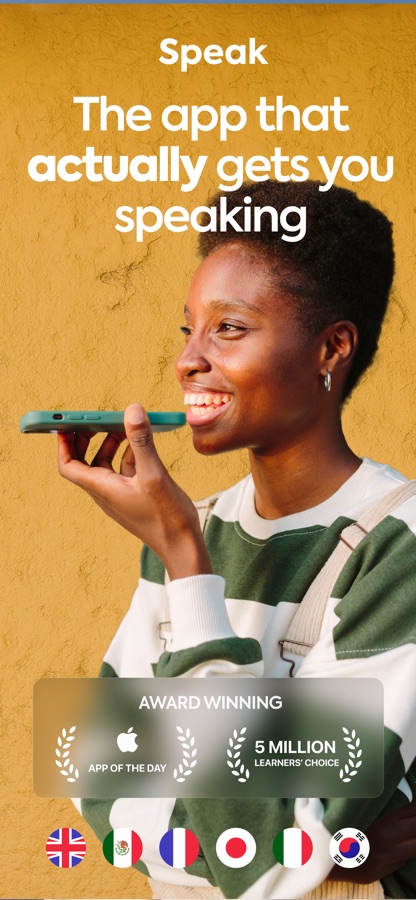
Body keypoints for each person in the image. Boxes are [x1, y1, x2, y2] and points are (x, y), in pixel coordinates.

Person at [57, 180, 416, 899]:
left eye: (228, 328)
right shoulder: (194, 526)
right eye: (187, 328)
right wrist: (311, 844)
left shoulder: (394, 545)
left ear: (331, 348)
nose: (188, 360)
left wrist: (191, 575)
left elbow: (264, 872)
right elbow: (98, 781)